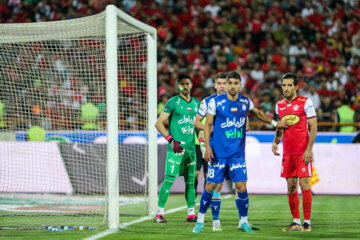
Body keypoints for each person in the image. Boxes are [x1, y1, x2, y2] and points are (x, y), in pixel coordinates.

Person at [192, 72, 288, 233]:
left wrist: (274, 123)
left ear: (240, 85)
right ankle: (200, 220)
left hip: (237, 154)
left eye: (236, 83)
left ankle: (243, 221)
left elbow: (257, 113)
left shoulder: (245, 101)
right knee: (210, 186)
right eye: (230, 83)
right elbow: (207, 125)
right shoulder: (215, 102)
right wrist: (208, 147)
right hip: (219, 153)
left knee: (241, 187)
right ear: (227, 85)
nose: (232, 86)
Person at [272, 73, 317, 232]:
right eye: (284, 85)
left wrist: (309, 149)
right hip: (288, 153)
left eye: (289, 85)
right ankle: (296, 221)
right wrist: (276, 141)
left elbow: (313, 127)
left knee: (304, 185)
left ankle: (307, 222)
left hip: (302, 152)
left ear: (296, 86)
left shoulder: (306, 103)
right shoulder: (279, 105)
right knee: (291, 187)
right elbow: (280, 126)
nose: (286, 88)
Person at [154, 73, 200, 223]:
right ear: (178, 85)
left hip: (191, 149)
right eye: (182, 84)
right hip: (176, 148)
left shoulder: (197, 104)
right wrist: (171, 141)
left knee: (191, 181)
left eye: (187, 84)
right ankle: (159, 214)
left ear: (191, 85)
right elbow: (159, 123)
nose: (185, 87)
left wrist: (203, 142)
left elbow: (199, 126)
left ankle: (191, 214)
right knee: (169, 179)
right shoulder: (173, 102)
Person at [194, 72, 227, 231]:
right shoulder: (207, 101)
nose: (222, 86)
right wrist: (211, 128)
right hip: (213, 145)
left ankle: (215, 222)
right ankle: (206, 220)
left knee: (218, 185)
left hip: (228, 147)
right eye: (219, 83)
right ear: (214, 85)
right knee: (212, 184)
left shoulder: (235, 101)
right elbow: (197, 122)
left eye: (224, 83)